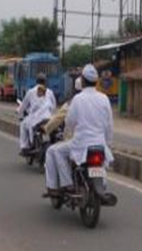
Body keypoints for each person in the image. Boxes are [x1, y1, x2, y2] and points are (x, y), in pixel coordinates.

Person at [44, 64, 113, 197]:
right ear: (96, 81)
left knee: (54, 151)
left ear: (82, 80)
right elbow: (109, 125)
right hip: (99, 143)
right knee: (102, 163)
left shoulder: (77, 99)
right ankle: (102, 185)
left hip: (81, 143)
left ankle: (65, 184)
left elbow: (70, 122)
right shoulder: (104, 99)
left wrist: (69, 133)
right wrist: (108, 144)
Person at [18, 73, 57, 154]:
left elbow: (23, 106)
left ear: (36, 81)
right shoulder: (50, 92)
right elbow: (54, 106)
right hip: (48, 117)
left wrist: (20, 113)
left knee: (23, 124)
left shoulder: (31, 91)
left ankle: (25, 147)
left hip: (35, 118)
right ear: (45, 82)